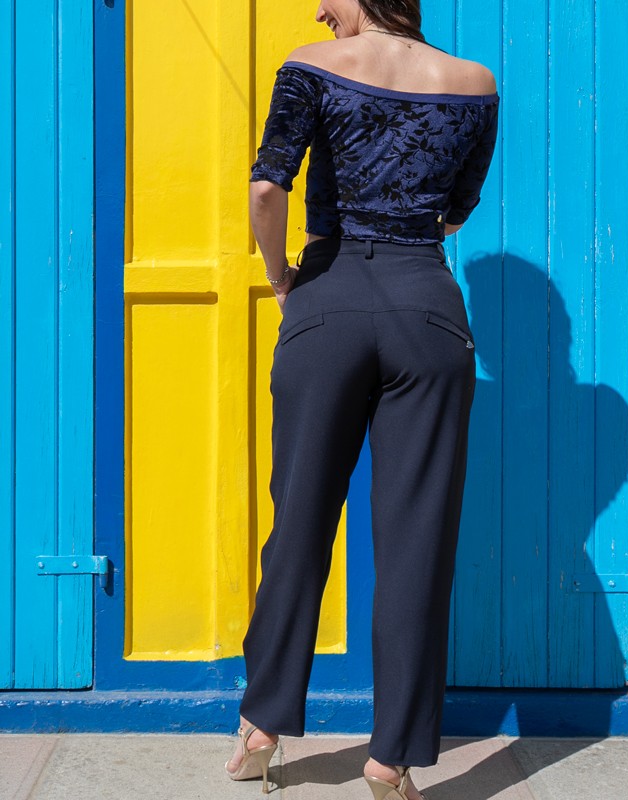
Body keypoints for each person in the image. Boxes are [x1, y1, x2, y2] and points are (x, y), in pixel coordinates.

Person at [224, 1, 498, 796]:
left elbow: (267, 187)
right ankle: (392, 758)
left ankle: (262, 726)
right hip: (427, 306)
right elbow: (456, 211)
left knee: (300, 522)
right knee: (418, 542)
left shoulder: (310, 66)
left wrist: (281, 277)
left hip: (328, 294)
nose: (320, 8)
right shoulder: (474, 83)